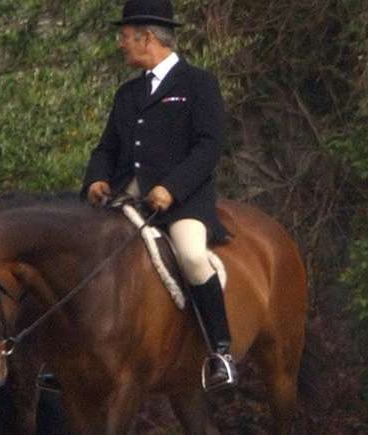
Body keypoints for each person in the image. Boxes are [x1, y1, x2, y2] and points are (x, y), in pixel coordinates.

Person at [80, 0, 237, 391]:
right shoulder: (127, 93)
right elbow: (106, 148)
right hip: (124, 199)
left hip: (181, 202)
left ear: (146, 37)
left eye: (124, 37)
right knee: (77, 249)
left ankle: (220, 352)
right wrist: (96, 180)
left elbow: (208, 145)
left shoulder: (198, 83)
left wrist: (173, 187)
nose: (120, 45)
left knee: (191, 255)